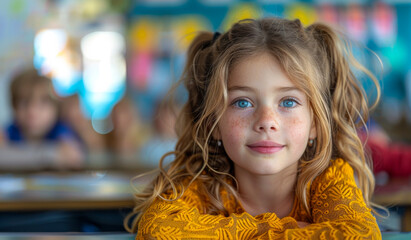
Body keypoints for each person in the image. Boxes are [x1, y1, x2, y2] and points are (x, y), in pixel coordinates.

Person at [126, 18, 382, 239]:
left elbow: (359, 235)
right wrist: (280, 230)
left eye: (288, 102)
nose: (266, 120)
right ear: (213, 123)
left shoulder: (327, 179)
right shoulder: (198, 183)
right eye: (242, 102)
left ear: (315, 122)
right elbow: (157, 231)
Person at [0, 68, 84, 170]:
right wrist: (52, 155)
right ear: (14, 107)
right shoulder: (8, 132)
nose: (32, 111)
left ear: (55, 109)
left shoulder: (62, 131)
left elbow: (72, 157)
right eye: (24, 103)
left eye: (43, 103)